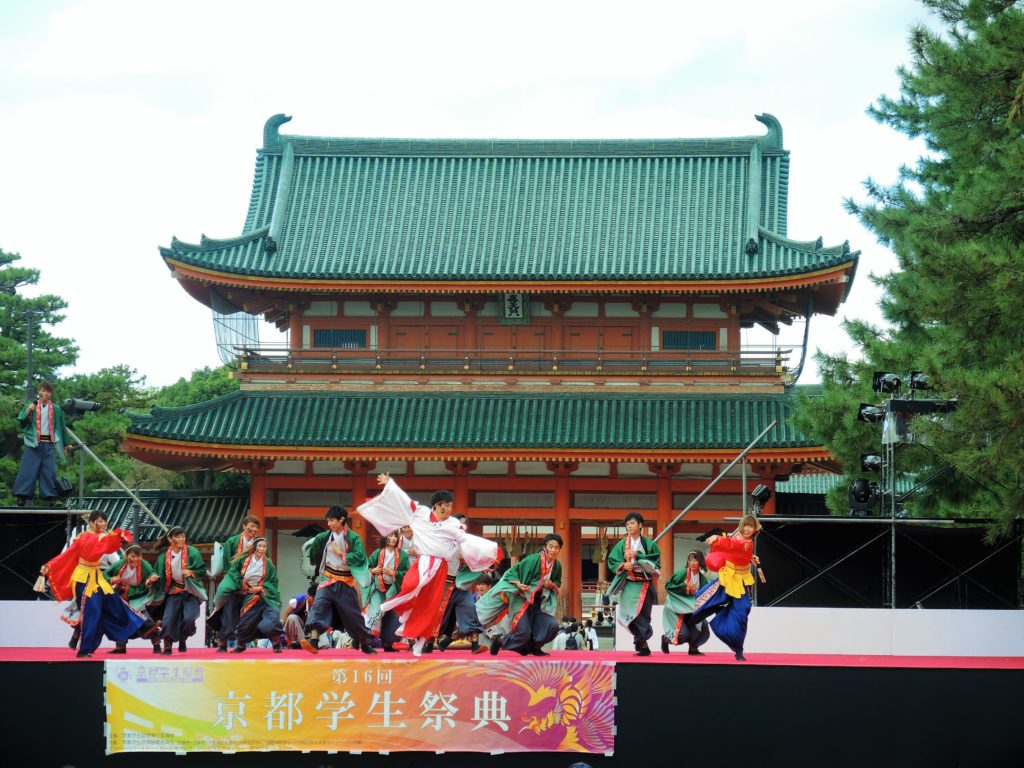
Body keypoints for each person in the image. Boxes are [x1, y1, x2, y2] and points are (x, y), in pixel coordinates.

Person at [357, 473, 500, 657]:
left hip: (446, 574)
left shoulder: (454, 525)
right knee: (417, 594)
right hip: (426, 567)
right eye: (446, 505)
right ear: (436, 506)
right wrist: (390, 484)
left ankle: (433, 642)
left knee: (446, 608)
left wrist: (489, 553)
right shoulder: (421, 514)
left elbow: (468, 541)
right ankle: (406, 617)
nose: (449, 509)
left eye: (451, 506)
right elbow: (405, 501)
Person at [40, 510, 146, 657]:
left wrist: (118, 538)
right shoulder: (84, 537)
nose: (103, 524)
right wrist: (50, 565)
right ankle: (85, 649)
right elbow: (68, 554)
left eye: (104, 521)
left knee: (115, 604)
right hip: (83, 579)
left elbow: (109, 547)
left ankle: (142, 627)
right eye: (99, 521)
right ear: (91, 522)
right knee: (92, 613)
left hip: (97, 577)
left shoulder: (102, 537)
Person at [301, 506, 375, 655]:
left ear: (342, 520)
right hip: (328, 578)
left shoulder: (353, 538)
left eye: (332, 520)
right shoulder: (323, 537)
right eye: (328, 520)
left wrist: (341, 554)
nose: (329, 524)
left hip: (346, 581)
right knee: (319, 607)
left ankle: (364, 642)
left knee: (353, 615)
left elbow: (360, 557)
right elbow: (314, 554)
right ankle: (314, 641)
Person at [690, 514, 763, 661]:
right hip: (727, 578)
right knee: (700, 603)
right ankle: (683, 626)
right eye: (745, 525)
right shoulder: (738, 537)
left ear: (755, 529)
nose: (747, 529)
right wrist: (716, 539)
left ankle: (738, 649)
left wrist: (718, 539)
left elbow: (735, 547)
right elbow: (732, 544)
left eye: (751, 526)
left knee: (743, 610)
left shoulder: (747, 543)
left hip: (741, 581)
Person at [477, 533, 562, 657]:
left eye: (557, 547)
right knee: (523, 632)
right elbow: (512, 571)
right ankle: (500, 640)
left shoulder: (557, 565)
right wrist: (518, 583)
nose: (553, 550)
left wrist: (551, 585)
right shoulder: (532, 560)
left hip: (538, 602)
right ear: (545, 547)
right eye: (551, 546)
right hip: (522, 600)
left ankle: (534, 647)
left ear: (560, 549)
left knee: (552, 626)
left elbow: (557, 582)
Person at [606, 511, 661, 656]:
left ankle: (642, 643)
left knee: (644, 615)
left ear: (640, 525)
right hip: (629, 584)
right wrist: (623, 565)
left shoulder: (649, 544)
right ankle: (642, 641)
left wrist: (638, 555)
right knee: (630, 615)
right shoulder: (621, 544)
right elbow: (612, 560)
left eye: (632, 523)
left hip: (645, 584)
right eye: (627, 524)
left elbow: (656, 561)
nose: (629, 526)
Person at [218, 537, 284, 653]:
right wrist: (241, 584)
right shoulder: (243, 560)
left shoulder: (269, 564)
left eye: (264, 546)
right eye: (260, 546)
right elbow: (233, 573)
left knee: (271, 621)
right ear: (254, 547)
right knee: (242, 623)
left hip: (265, 597)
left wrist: (261, 587)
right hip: (247, 595)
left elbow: (273, 582)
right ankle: (240, 644)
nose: (262, 549)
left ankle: (276, 643)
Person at [437, 514, 491, 654]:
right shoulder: (442, 541)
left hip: (461, 586)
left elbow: (477, 559)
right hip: (444, 585)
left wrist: (469, 558)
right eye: (459, 524)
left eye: (463, 524)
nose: (462, 527)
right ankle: (433, 643)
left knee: (469, 609)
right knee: (441, 617)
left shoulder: (468, 543)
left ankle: (475, 645)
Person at [149, 526, 207, 655]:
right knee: (168, 619)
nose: (181, 539)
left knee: (189, 619)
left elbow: (202, 569)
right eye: (178, 536)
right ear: (170, 539)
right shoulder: (163, 557)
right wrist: (153, 577)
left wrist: (191, 572)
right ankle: (167, 646)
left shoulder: (192, 552)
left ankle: (183, 637)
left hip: (190, 592)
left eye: (183, 536)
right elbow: (155, 570)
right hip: (173, 591)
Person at [14, 381, 71, 507]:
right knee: (27, 470)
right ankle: (21, 496)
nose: (45, 393)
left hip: (48, 444)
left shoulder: (56, 408)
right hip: (33, 443)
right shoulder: (32, 405)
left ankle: (52, 497)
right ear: (39, 392)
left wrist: (66, 443)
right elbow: (21, 420)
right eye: (43, 391)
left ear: (51, 394)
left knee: (49, 470)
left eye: (48, 391)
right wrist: (29, 409)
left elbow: (61, 426)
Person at [105, 544, 160, 654]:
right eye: (133, 556)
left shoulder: (144, 564)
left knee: (143, 619)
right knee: (120, 619)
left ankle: (156, 642)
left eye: (138, 556)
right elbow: (105, 574)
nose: (135, 559)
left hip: (138, 595)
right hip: (121, 596)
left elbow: (152, 573)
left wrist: (151, 578)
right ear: (127, 556)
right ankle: (120, 647)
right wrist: (111, 579)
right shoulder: (119, 564)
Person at [661, 550, 713, 656]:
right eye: (690, 560)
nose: (692, 563)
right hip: (675, 608)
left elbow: (704, 596)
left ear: (700, 561)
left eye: (695, 560)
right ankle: (666, 639)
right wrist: (685, 588)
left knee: (703, 629)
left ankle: (693, 648)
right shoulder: (682, 573)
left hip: (691, 609)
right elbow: (668, 586)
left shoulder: (702, 578)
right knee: (682, 636)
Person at [364, 532, 409, 646]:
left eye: (395, 536)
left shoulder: (403, 555)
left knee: (392, 618)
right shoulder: (377, 553)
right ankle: (367, 638)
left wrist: (393, 573)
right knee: (376, 613)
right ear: (385, 537)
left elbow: (407, 573)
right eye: (390, 536)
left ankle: (388, 643)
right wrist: (373, 571)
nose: (393, 539)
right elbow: (367, 568)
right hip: (378, 589)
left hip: (394, 591)